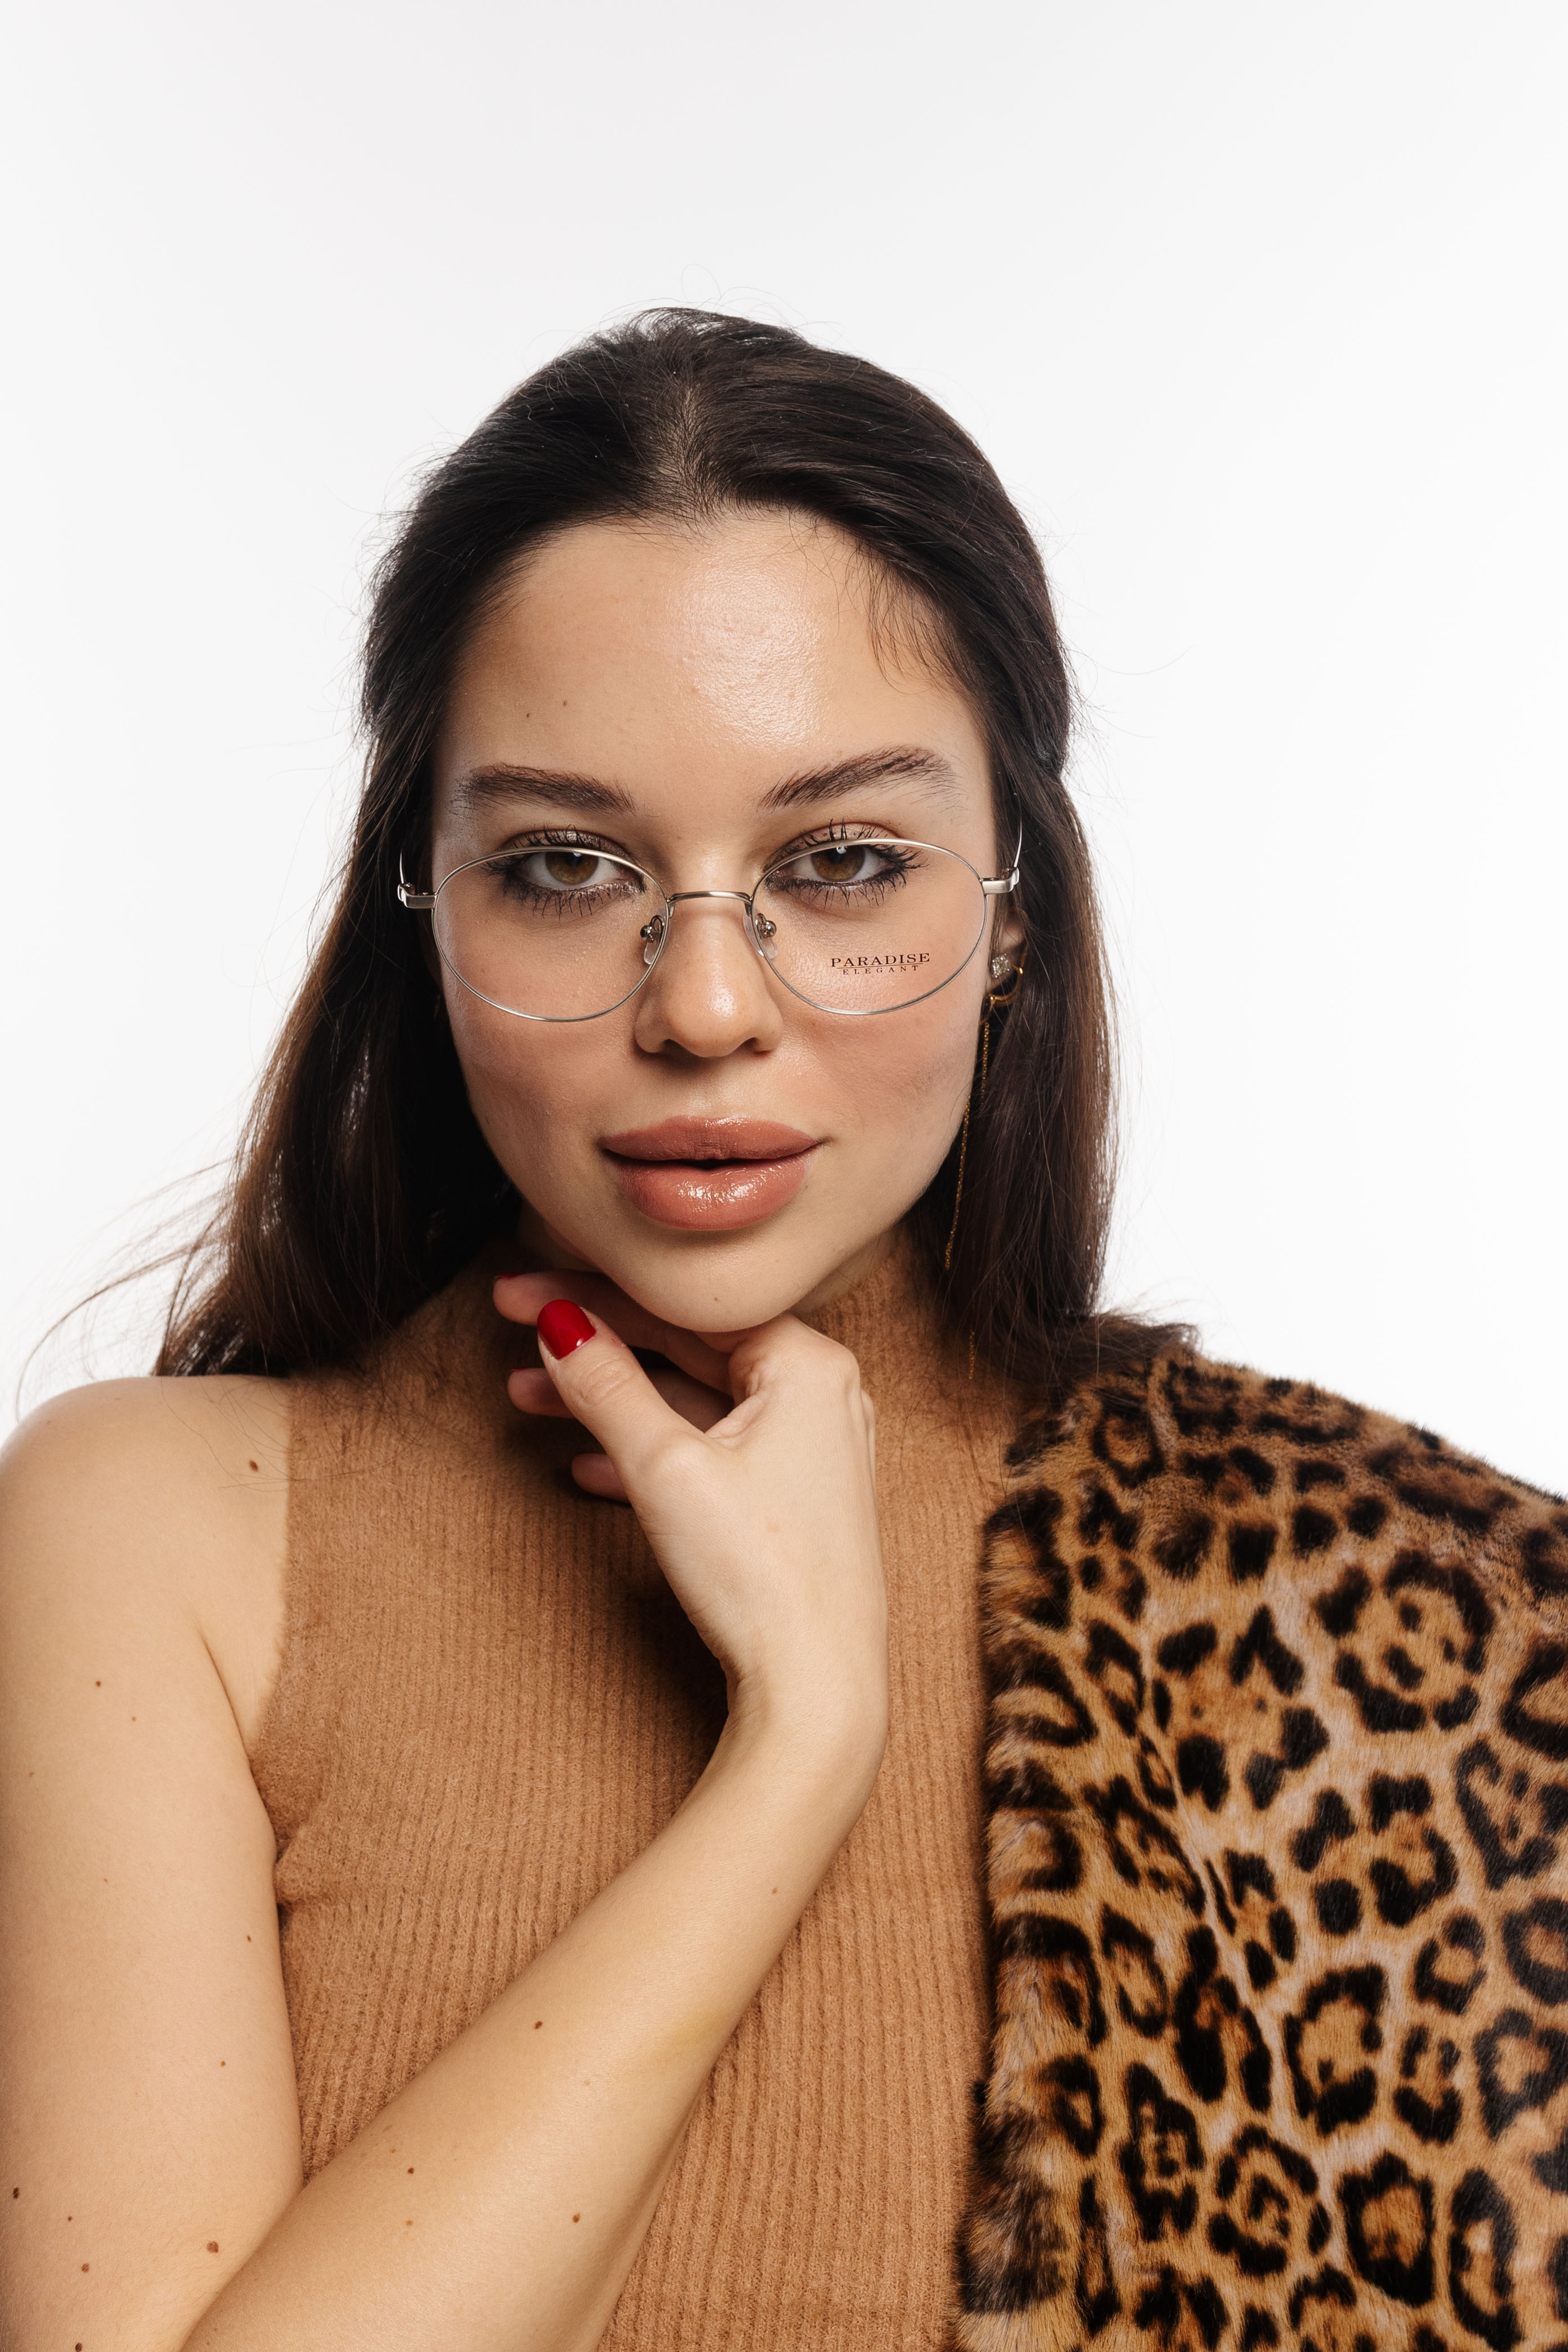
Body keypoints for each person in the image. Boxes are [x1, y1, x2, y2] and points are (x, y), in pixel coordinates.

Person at [2, 310, 1563, 2352]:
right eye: (564, 866)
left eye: (841, 863)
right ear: (424, 905)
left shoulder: (1424, 1609)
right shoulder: (164, 1537)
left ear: (1011, 914)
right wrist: (797, 1750)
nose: (706, 1006)